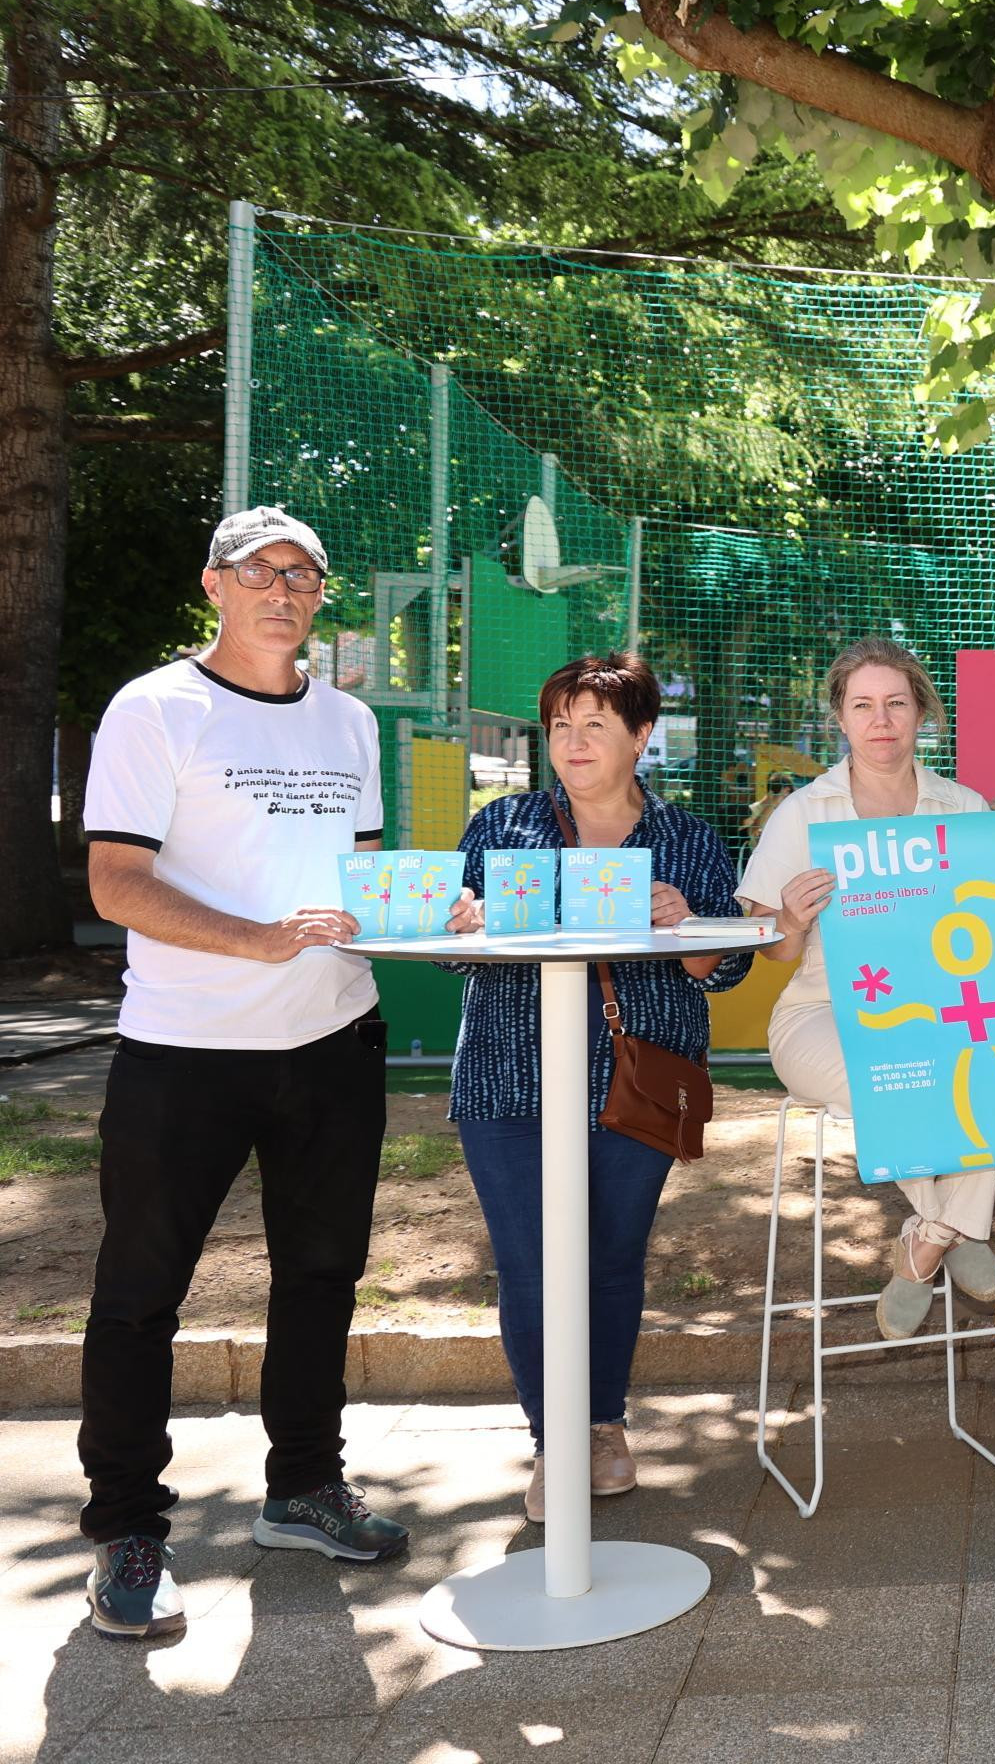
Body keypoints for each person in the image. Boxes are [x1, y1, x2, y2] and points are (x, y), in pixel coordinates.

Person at [78, 506, 425, 1640]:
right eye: (262, 571)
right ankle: (129, 1529)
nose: (286, 590)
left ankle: (303, 1488)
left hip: (332, 1040)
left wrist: (430, 918)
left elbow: (361, 883)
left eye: (306, 575)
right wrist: (257, 938)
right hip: (185, 1051)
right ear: (215, 586)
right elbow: (117, 884)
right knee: (140, 1298)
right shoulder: (154, 708)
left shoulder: (352, 722)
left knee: (321, 1280)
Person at [442, 654, 752, 1521]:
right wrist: (463, 922)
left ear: (641, 737)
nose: (573, 745)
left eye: (596, 727)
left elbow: (718, 968)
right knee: (532, 1267)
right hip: (508, 1078)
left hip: (637, 1080)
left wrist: (685, 919)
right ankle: (556, 1443)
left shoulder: (687, 837)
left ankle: (604, 1426)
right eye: (561, 727)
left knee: (611, 1260)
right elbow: (454, 944)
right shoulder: (501, 826)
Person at [738, 641, 995, 1343]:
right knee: (896, 1072)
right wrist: (790, 918)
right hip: (821, 1016)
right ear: (841, 718)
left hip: (938, 1012)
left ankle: (929, 1238)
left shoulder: (962, 806)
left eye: (895, 703)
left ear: (921, 712)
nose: (880, 720)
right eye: (863, 705)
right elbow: (774, 951)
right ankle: (958, 1227)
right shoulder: (805, 811)